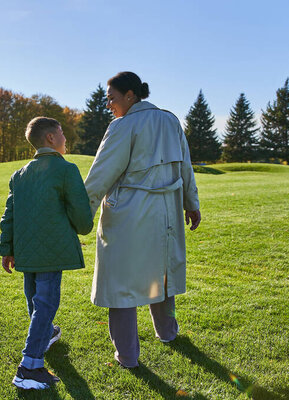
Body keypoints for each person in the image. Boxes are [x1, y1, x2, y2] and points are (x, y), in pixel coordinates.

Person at [84, 72, 201, 368]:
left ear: (130, 95)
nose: (109, 104)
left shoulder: (123, 126)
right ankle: (168, 333)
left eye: (112, 98)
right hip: (166, 213)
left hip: (128, 214)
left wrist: (81, 214)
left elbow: (101, 173)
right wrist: (191, 204)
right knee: (159, 275)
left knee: (120, 284)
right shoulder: (171, 120)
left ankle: (126, 356)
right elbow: (186, 167)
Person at [0, 117, 94, 389]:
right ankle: (29, 366)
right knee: (46, 303)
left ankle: (47, 334)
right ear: (51, 138)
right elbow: (81, 217)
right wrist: (84, 225)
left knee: (35, 300)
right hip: (52, 251)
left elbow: (9, 216)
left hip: (26, 252)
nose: (65, 138)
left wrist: (7, 249)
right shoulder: (66, 170)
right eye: (62, 133)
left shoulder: (19, 174)